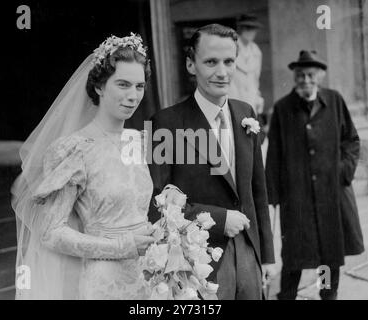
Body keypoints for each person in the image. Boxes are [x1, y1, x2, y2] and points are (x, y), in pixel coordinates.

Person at [11, 33, 155, 299]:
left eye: (139, 86)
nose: (133, 96)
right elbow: (51, 233)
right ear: (100, 86)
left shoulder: (139, 141)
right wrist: (122, 246)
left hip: (149, 278)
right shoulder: (73, 149)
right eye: (122, 84)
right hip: (105, 284)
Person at [148, 24, 275, 300]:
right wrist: (219, 219)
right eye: (211, 62)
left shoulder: (246, 113)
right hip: (198, 264)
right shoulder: (166, 123)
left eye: (229, 62)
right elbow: (157, 203)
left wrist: (267, 256)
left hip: (249, 256)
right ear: (190, 64)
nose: (222, 72)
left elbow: (257, 190)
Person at [266, 50, 364, 300]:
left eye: (310, 75)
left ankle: (327, 295)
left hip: (332, 195)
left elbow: (351, 140)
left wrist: (343, 172)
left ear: (319, 76)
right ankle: (286, 296)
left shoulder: (334, 101)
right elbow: (274, 155)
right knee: (294, 256)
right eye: (300, 76)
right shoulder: (283, 109)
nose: (306, 80)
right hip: (296, 197)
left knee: (329, 254)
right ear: (295, 78)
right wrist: (273, 198)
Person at [228, 14, 263, 116]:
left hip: (250, 99)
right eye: (247, 28)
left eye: (253, 29)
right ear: (241, 28)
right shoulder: (231, 47)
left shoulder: (256, 51)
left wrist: (257, 98)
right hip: (234, 95)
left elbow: (256, 79)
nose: (251, 32)